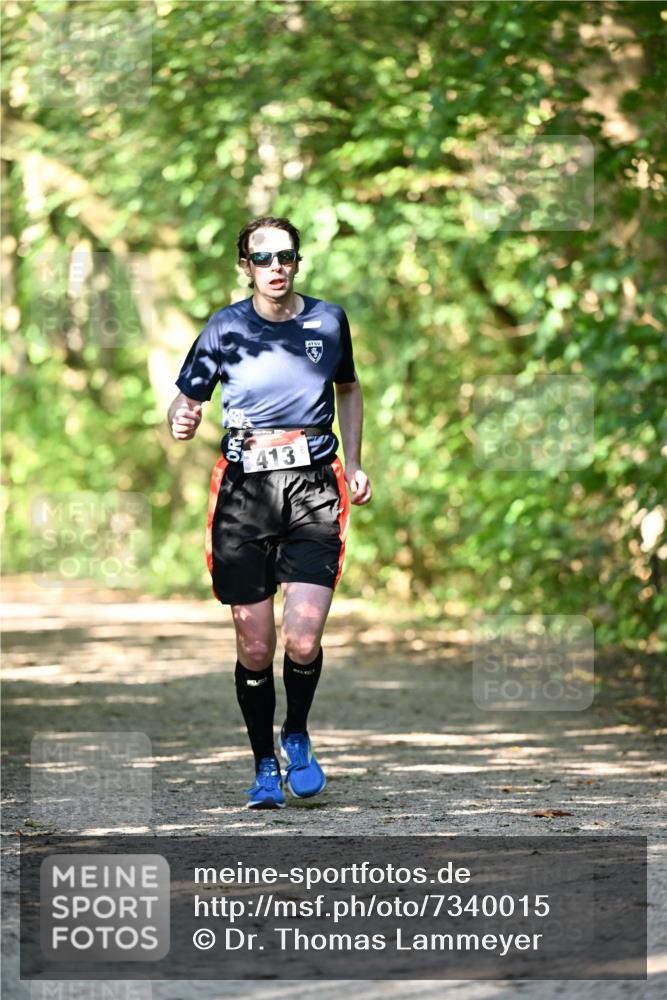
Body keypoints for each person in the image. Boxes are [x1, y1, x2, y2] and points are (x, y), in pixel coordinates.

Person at [167, 216, 372, 809]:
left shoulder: (328, 321)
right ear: (246, 267)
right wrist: (181, 420)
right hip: (243, 493)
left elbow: (349, 388)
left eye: (285, 256)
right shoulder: (225, 327)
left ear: (298, 261)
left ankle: (297, 732)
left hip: (313, 487)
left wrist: (354, 462)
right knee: (254, 646)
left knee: (302, 639)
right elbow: (188, 400)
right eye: (263, 258)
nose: (275, 266)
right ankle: (263, 765)